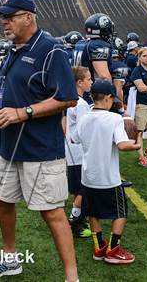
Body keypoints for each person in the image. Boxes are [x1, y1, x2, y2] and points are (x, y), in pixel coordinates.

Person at [0, 0, 79, 282]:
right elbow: (7, 89)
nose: (4, 22)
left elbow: (68, 98)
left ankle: (73, 278)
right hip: (9, 147)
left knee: (53, 214)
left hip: (41, 149)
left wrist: (23, 112)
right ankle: (10, 260)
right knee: (4, 203)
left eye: (10, 16)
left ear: (29, 18)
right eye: (2, 17)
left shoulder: (51, 51)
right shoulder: (10, 50)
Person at [72, 80, 141, 264]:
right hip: (108, 178)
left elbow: (74, 139)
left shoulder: (85, 117)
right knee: (120, 213)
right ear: (109, 97)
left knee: (93, 213)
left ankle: (99, 248)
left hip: (88, 177)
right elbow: (122, 145)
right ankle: (113, 250)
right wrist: (137, 144)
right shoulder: (114, 119)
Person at [64, 67, 92, 238]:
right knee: (82, 189)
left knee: (78, 189)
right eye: (88, 79)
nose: (91, 82)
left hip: (71, 150)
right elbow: (83, 130)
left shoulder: (69, 99)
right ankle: (74, 223)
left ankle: (79, 217)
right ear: (79, 82)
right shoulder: (80, 104)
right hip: (78, 152)